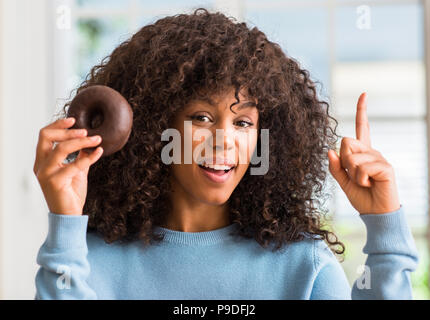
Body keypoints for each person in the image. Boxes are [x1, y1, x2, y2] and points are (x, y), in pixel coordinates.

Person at [33, 8, 418, 299]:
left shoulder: (303, 266)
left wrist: (386, 233)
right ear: (154, 129)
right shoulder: (88, 263)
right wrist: (65, 226)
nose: (224, 141)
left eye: (243, 123)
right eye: (201, 117)